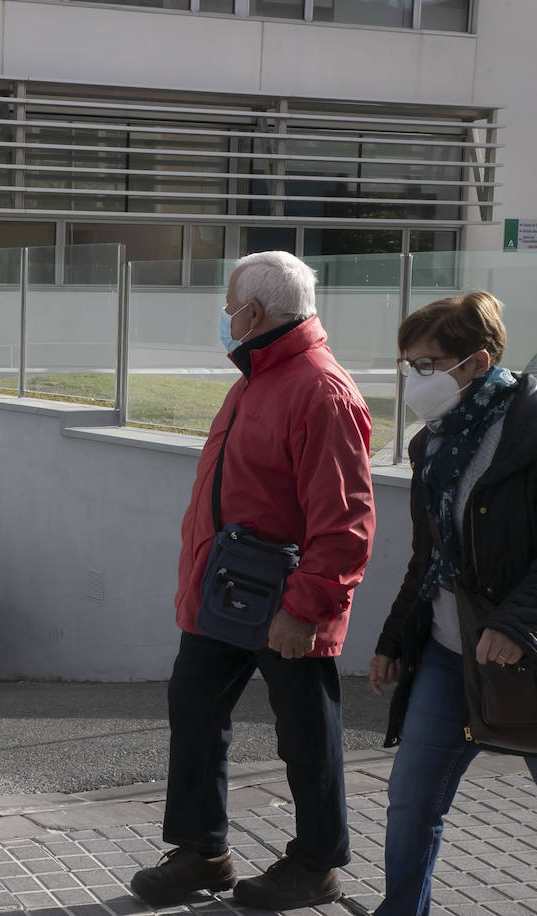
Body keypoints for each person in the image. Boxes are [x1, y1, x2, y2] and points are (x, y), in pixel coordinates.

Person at [130, 251, 376, 910]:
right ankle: (201, 852)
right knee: (195, 712)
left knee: (305, 734)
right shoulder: (258, 376)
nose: (224, 315)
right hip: (226, 594)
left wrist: (307, 609)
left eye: (229, 303)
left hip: (285, 601)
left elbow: (346, 519)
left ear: (254, 313)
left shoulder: (319, 388)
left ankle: (317, 863)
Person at [368, 291, 537, 916]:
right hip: (446, 650)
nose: (417, 379)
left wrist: (518, 622)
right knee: (412, 797)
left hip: (526, 653)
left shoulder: (529, 426)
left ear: (479, 359)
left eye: (428, 364)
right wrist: (392, 639)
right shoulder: (433, 443)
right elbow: (427, 554)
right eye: (409, 364)